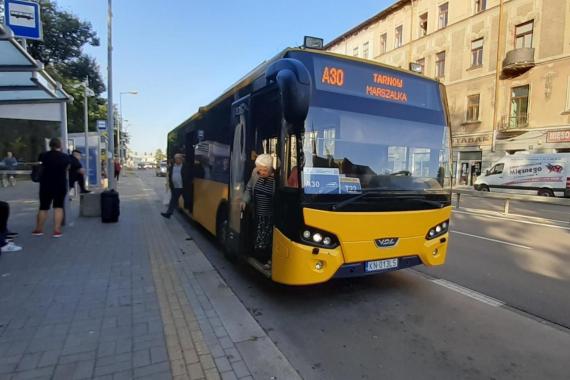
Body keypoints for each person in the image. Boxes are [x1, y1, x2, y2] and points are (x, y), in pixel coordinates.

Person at [241, 154, 275, 264]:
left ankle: (266, 258)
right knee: (257, 236)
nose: (261, 172)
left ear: (270, 169)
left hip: (269, 216)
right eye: (260, 169)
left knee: (267, 238)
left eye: (264, 170)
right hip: (257, 213)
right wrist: (244, 200)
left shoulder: (276, 179)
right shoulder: (255, 173)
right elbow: (249, 188)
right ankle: (259, 257)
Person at [32, 138, 70, 238]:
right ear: (60, 145)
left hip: (45, 185)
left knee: (43, 207)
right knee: (58, 207)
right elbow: (67, 168)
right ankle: (56, 230)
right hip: (60, 185)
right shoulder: (65, 157)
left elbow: (39, 166)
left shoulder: (43, 155)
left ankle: (38, 229)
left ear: (50, 145)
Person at [161, 154, 185, 219]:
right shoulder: (172, 167)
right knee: (173, 200)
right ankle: (168, 213)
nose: (176, 160)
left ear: (181, 159)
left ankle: (169, 213)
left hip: (183, 186)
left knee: (186, 199)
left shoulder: (185, 166)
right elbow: (170, 176)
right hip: (175, 187)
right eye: (175, 158)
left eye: (178, 158)